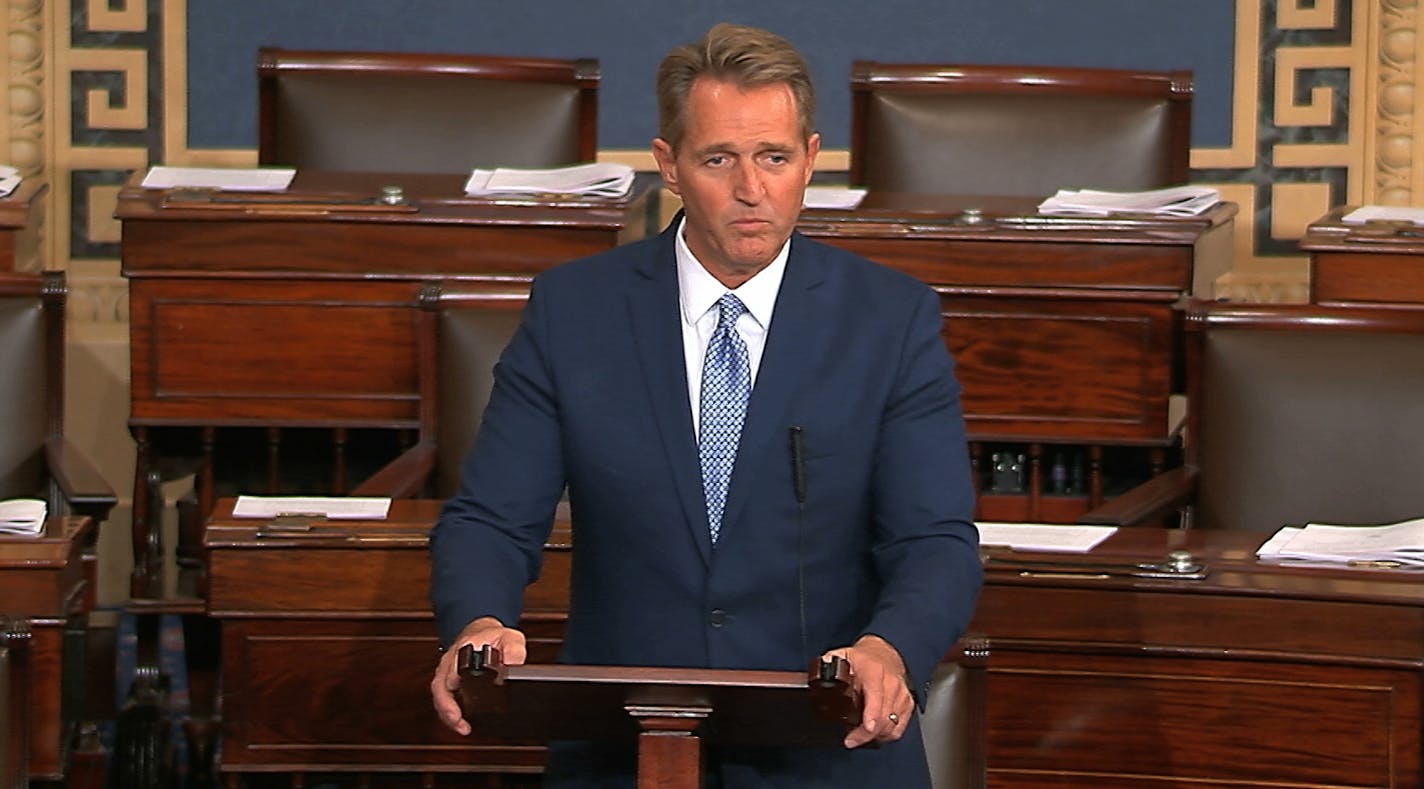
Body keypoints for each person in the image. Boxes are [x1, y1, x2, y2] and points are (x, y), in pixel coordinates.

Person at [429, 22, 982, 788]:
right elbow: (490, 516)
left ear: (811, 161)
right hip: (622, 742)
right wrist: (479, 620)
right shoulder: (575, 312)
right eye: (720, 158)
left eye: (774, 158)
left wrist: (890, 646)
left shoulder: (890, 320)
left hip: (830, 743)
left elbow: (935, 539)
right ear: (670, 165)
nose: (751, 189)